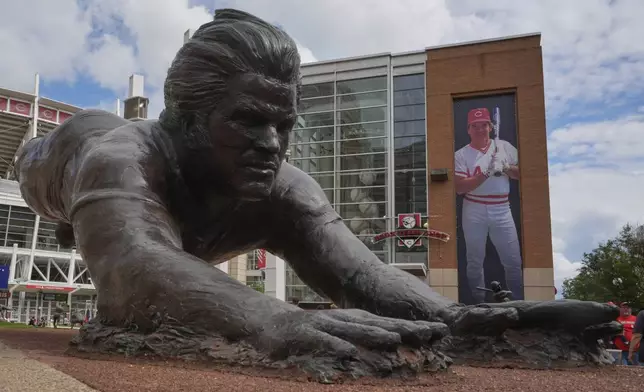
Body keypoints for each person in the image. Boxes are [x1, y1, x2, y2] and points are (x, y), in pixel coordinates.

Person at [13, 8, 620, 376]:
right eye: (248, 120)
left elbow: (363, 277)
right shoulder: (118, 157)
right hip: (53, 163)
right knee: (66, 164)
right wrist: (273, 321)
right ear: (188, 121)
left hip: (152, 218)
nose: (271, 143)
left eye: (284, 126)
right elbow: (134, 267)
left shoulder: (283, 188)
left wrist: (466, 319)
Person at [454, 107, 522, 304]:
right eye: (475, 126)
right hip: (474, 207)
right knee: (475, 260)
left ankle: (519, 301)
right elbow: (459, 187)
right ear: (468, 129)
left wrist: (507, 167)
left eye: (483, 125)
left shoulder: (505, 147)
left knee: (513, 261)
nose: (480, 129)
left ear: (491, 127)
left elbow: (524, 174)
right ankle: (477, 302)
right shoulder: (461, 154)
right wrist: (485, 173)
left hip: (502, 207)